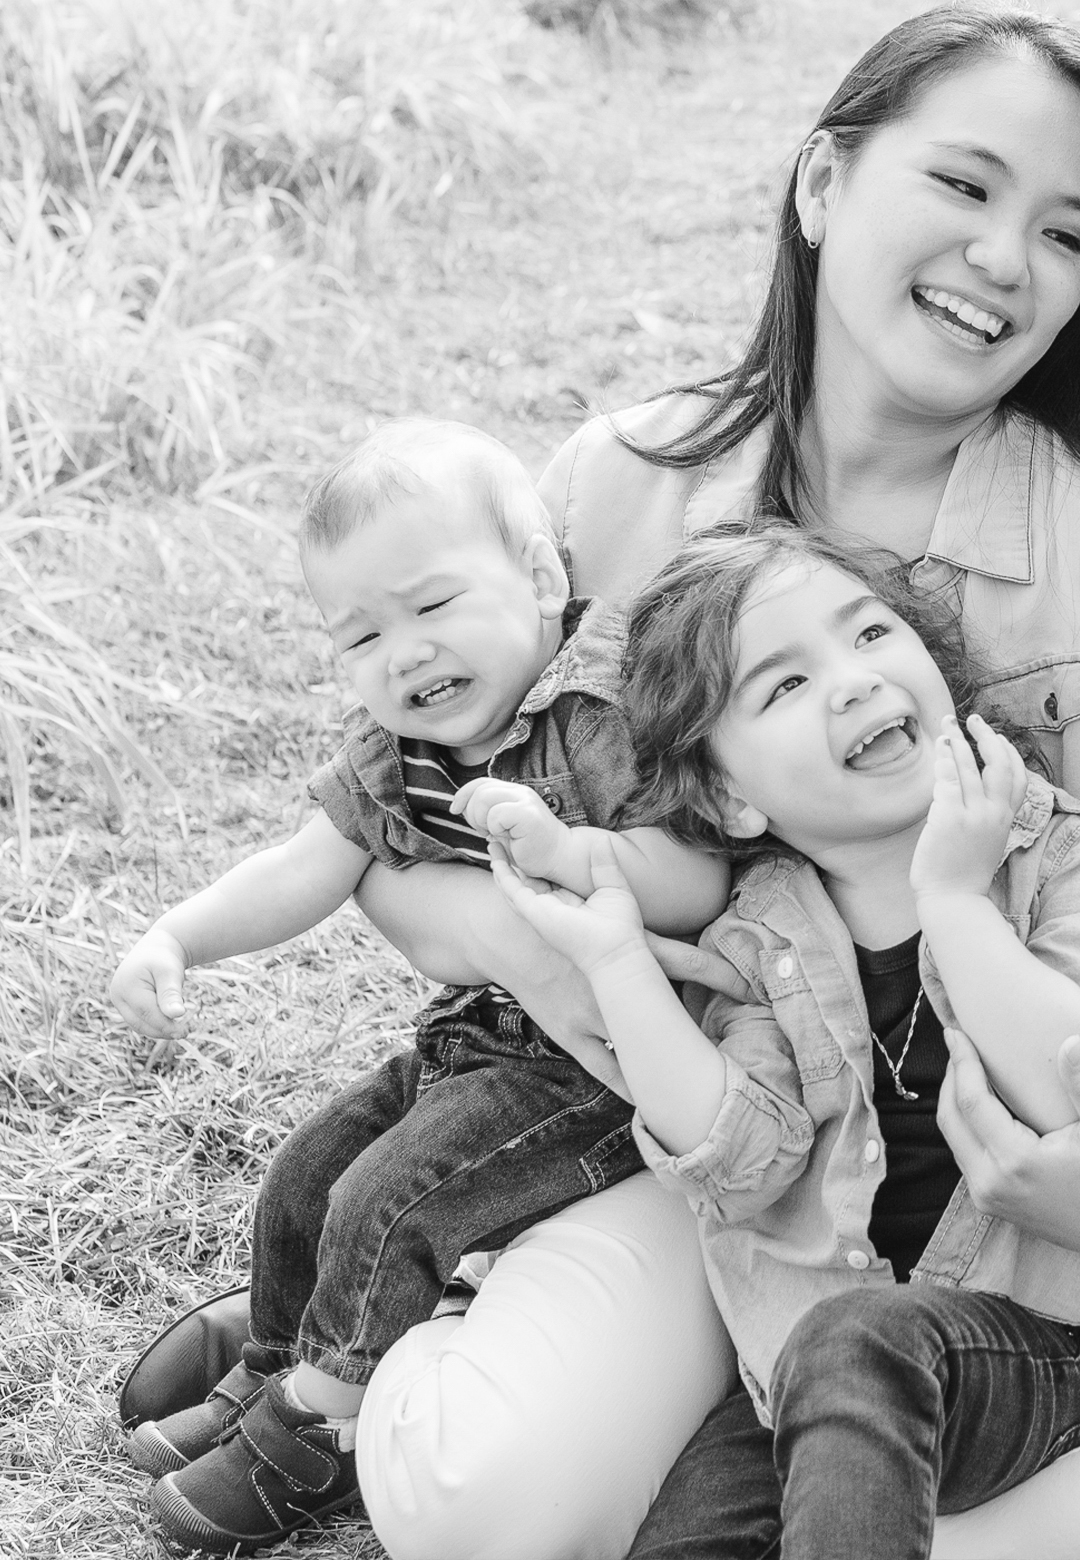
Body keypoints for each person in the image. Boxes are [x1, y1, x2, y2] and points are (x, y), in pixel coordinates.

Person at [320, 2, 1080, 1560]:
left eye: (1065, 233)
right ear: (821, 186)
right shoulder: (628, 481)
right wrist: (536, 944)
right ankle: (395, 1349)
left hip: (1058, 1179)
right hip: (742, 1136)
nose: (1007, 258)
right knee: (489, 1496)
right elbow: (402, 803)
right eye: (964, 186)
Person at [105, 419, 729, 1555]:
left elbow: (699, 873)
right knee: (307, 1175)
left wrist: (574, 855)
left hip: (600, 1071)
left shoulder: (595, 716)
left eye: (433, 607)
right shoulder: (392, 753)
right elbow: (303, 868)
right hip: (477, 1038)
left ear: (542, 578)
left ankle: (323, 1434)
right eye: (361, 635)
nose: (404, 653)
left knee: (387, 1197)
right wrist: (176, 938)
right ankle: (273, 1373)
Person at [492, 522, 1080, 1560]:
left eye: (867, 635)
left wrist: (951, 898)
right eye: (786, 687)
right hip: (801, 1364)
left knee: (858, 1347)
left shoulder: (1055, 851)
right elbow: (743, 1160)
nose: (851, 682)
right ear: (730, 798)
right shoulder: (761, 930)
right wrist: (620, 963)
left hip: (1015, 1349)